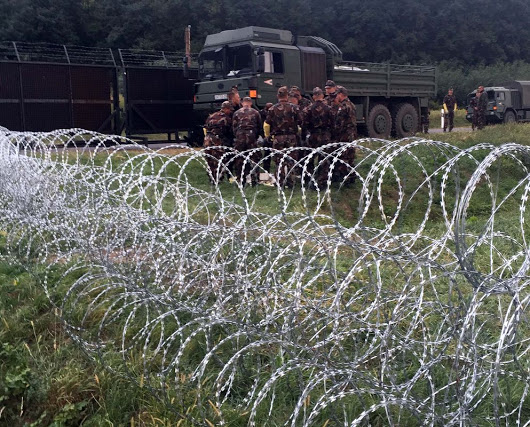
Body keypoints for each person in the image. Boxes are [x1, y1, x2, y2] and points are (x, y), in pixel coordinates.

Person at [266, 86, 302, 187]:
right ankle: (291, 182)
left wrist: (268, 136)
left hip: (278, 138)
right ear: (287, 96)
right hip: (291, 137)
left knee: (279, 161)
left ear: (278, 96)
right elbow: (300, 122)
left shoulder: (272, 109)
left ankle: (280, 182)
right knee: (291, 160)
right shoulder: (294, 108)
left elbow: (267, 124)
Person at [302, 87, 333, 187]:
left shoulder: (308, 109)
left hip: (313, 136)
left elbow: (304, 124)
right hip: (325, 136)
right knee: (324, 159)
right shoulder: (328, 108)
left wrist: (304, 136)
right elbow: (333, 123)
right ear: (322, 95)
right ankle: (322, 182)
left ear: (314, 96)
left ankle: (309, 180)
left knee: (310, 159)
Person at [232, 96, 262, 186]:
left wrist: (237, 135)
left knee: (239, 157)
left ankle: (241, 179)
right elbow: (259, 126)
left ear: (242, 103)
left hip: (240, 135)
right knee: (254, 157)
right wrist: (255, 136)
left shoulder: (237, 113)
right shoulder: (255, 112)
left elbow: (234, 127)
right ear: (251, 103)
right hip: (251, 134)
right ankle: (255, 179)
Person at [203, 101, 233, 183]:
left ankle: (211, 178)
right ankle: (218, 179)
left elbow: (205, 128)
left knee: (209, 159)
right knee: (219, 159)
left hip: (207, 138)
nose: (230, 111)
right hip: (217, 139)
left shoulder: (211, 116)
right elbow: (229, 131)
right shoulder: (226, 118)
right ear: (226, 109)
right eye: (230, 109)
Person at [332, 85, 357, 184]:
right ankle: (352, 177)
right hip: (352, 134)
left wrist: (334, 133)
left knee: (344, 156)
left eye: (337, 94)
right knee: (350, 156)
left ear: (341, 94)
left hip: (344, 135)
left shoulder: (343, 107)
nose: (336, 97)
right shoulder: (351, 105)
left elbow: (339, 123)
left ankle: (345, 178)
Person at [260, 103, 274, 173]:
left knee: (267, 154)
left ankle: (266, 170)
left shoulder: (261, 114)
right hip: (274, 136)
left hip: (267, 136)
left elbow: (264, 126)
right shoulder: (273, 113)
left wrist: (265, 136)